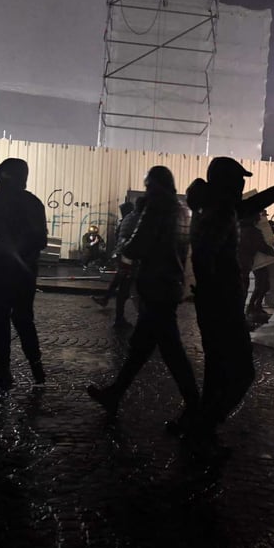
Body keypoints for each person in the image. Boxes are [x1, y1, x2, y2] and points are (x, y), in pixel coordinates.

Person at [186, 157, 274, 452]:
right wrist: (220, 292)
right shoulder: (219, 212)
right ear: (226, 182)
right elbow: (207, 257)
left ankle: (200, 423)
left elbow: (247, 207)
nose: (243, 185)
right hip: (221, 301)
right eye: (239, 180)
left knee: (216, 371)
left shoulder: (212, 206)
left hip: (212, 299)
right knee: (242, 372)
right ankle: (205, 425)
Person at [87, 167, 200, 427]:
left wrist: (125, 252)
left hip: (155, 285)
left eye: (149, 185)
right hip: (170, 284)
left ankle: (195, 406)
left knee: (172, 352)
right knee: (142, 348)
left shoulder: (157, 207)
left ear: (158, 185)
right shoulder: (183, 210)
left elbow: (137, 244)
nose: (148, 190)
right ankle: (115, 393)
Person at [0, 158, 48, 388]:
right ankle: (37, 370)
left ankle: (2, 369)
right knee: (24, 318)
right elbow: (41, 240)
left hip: (1, 269)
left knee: (0, 319)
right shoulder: (34, 203)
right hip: (25, 271)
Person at [92, 199, 142, 328]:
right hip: (131, 257)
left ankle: (107, 300)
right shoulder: (137, 219)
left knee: (120, 280)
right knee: (127, 286)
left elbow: (117, 235)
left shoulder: (126, 219)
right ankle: (123, 317)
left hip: (123, 255)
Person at [239, 209, 274, 321]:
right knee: (253, 287)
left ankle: (252, 308)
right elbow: (263, 246)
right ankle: (248, 311)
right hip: (252, 263)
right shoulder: (254, 231)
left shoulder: (237, 228)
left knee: (255, 286)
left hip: (242, 263)